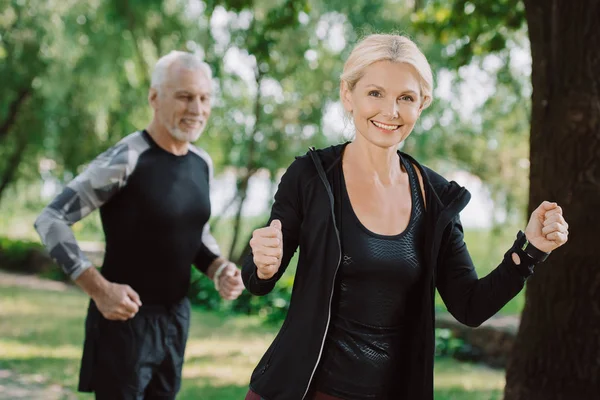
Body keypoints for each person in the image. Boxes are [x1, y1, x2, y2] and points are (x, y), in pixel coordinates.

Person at [241, 34, 569, 400]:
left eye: (406, 98)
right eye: (375, 93)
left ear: (422, 104)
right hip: (300, 390)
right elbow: (258, 280)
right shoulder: (310, 177)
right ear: (348, 96)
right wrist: (263, 265)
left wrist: (529, 252)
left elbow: (470, 306)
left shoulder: (435, 197)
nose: (391, 111)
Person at [34, 50, 245, 400]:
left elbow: (193, 234)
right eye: (184, 96)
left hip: (176, 319)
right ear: (154, 97)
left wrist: (219, 268)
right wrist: (100, 290)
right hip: (124, 322)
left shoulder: (201, 163)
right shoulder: (127, 159)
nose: (197, 109)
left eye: (205, 98)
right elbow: (51, 220)